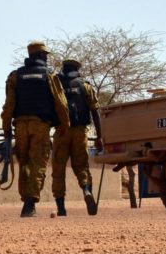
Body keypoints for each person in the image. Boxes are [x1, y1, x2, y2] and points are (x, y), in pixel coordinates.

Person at [1, 41, 70, 217]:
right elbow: (61, 104)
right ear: (39, 56)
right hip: (41, 125)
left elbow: (8, 105)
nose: (47, 58)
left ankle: (26, 201)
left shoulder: (15, 76)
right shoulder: (50, 75)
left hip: (20, 126)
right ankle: (30, 203)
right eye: (45, 55)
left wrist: (6, 128)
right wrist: (65, 125)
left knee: (24, 164)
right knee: (38, 163)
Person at [51, 59, 103, 216]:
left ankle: (61, 208)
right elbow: (95, 111)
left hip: (61, 132)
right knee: (81, 166)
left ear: (64, 69)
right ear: (77, 69)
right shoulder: (85, 86)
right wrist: (100, 136)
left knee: (58, 170)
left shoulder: (56, 85)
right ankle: (87, 190)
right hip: (80, 132)